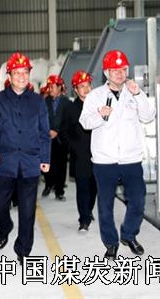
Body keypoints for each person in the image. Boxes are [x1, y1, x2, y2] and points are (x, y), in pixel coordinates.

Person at [80, 50, 155, 260]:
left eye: (123, 69)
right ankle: (111, 243)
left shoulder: (133, 92)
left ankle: (129, 235)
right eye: (115, 70)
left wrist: (138, 94)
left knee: (138, 201)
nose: (120, 73)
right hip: (105, 161)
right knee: (105, 206)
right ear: (107, 73)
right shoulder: (95, 96)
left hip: (131, 159)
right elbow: (85, 122)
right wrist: (99, 115)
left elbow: (148, 116)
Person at [0, 52, 51, 262]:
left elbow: (44, 132)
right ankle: (5, 227)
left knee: (28, 210)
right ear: (9, 76)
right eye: (17, 72)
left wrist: (45, 158)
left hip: (30, 163)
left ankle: (23, 249)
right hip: (3, 162)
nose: (22, 76)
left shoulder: (38, 101)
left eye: (25, 72)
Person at [63, 70, 97, 231]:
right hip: (80, 156)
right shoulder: (71, 108)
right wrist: (73, 148)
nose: (86, 89)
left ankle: (88, 210)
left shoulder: (98, 106)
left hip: (98, 154)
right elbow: (64, 132)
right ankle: (83, 219)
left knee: (94, 187)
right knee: (82, 187)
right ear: (76, 90)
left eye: (87, 85)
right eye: (81, 86)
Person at [42, 75, 70, 201]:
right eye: (49, 86)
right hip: (47, 138)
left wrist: (57, 131)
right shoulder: (44, 102)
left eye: (52, 86)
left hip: (61, 139)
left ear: (59, 87)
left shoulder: (67, 103)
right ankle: (49, 184)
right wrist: (48, 130)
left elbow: (68, 121)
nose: (50, 89)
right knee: (47, 164)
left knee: (61, 166)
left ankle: (59, 191)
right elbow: (41, 118)